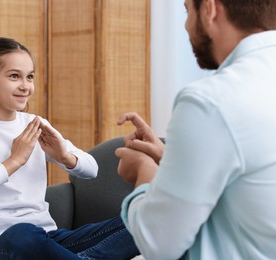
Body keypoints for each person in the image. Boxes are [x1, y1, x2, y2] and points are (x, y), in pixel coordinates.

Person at [0, 37, 139, 259]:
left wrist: (64, 156)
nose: (25, 86)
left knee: (140, 219)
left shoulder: (34, 123)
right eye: (14, 76)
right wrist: (13, 161)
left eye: (30, 77)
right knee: (21, 233)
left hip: (46, 239)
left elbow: (92, 170)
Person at [115, 0, 276, 259]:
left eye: (187, 10)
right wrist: (170, 158)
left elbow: (158, 244)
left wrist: (144, 171)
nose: (186, 25)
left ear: (210, 9)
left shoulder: (210, 102)